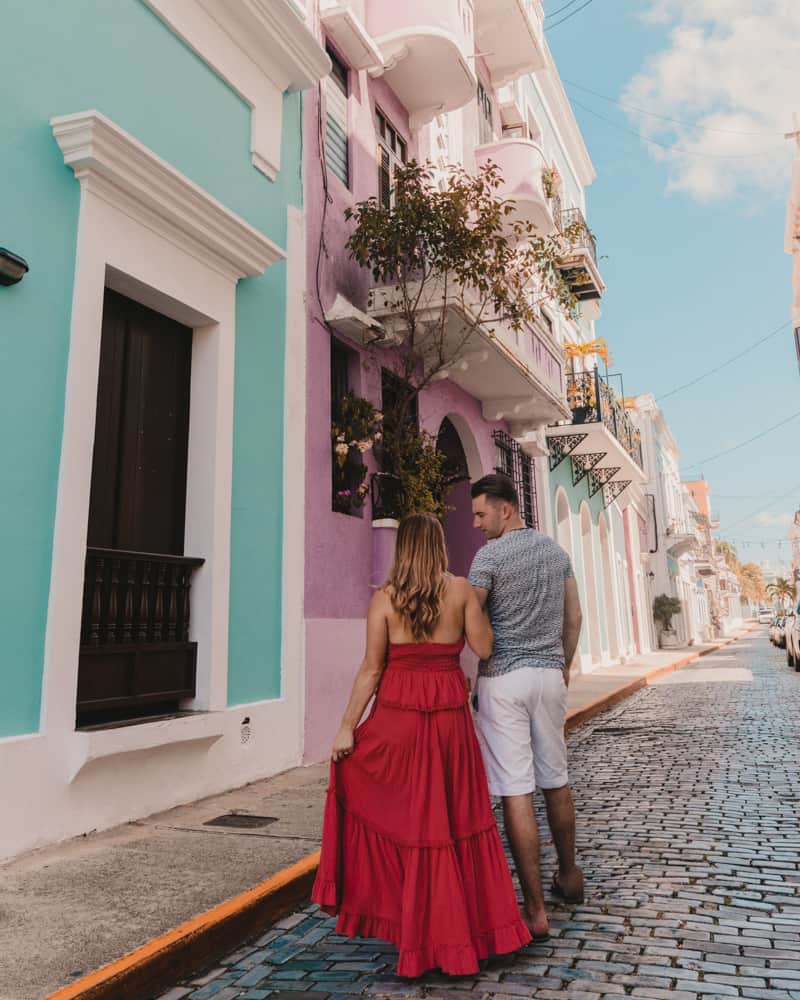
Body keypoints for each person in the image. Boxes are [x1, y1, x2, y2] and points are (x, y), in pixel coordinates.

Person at [312, 513, 532, 976]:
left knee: (414, 829)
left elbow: (371, 670)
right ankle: (469, 934)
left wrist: (346, 727)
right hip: (450, 725)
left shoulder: (385, 600)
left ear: (403, 549)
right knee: (457, 824)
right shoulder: (460, 591)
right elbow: (485, 648)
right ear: (439, 545)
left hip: (398, 724)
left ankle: (420, 935)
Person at [469, 473, 584, 942]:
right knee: (555, 778)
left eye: (480, 513)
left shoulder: (489, 556)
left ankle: (535, 909)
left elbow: (470, 614)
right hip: (548, 676)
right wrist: (564, 665)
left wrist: (478, 654)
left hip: (504, 680)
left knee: (516, 789)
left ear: (506, 509)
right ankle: (570, 876)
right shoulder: (557, 553)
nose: (476, 523)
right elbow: (573, 617)